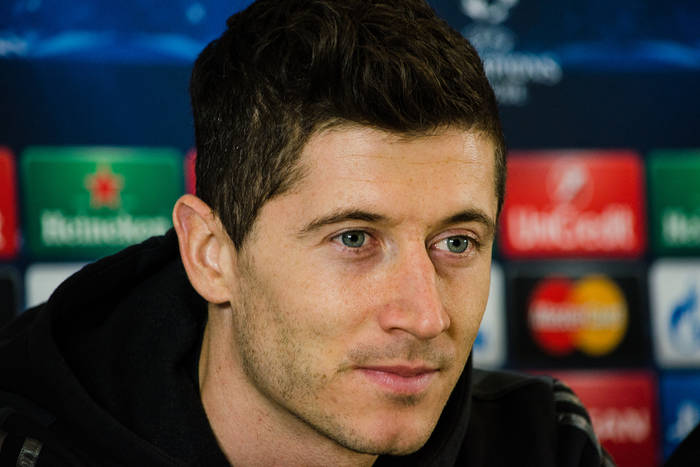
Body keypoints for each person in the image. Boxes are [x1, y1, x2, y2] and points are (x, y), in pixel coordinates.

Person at [0, 0, 614, 465]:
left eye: (457, 243)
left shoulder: (546, 445)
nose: (426, 317)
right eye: (354, 239)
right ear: (211, 255)